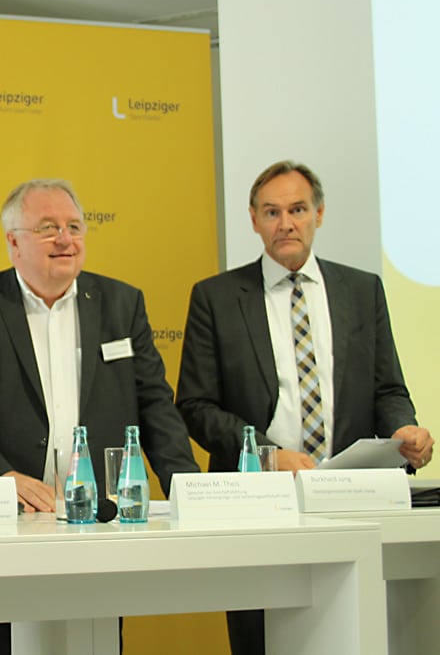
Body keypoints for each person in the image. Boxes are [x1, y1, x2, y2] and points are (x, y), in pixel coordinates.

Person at [0, 178, 200, 655]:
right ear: (13, 242)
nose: (66, 239)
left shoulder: (121, 303)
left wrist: (189, 489)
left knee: (94, 643)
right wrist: (0, 475)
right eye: (48, 228)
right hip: (2, 521)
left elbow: (154, 403)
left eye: (74, 226)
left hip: (100, 523)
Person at [176, 160, 434, 655]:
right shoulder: (216, 297)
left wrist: (405, 429)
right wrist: (270, 454)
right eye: (271, 212)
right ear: (253, 219)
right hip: (256, 501)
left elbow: (387, 389)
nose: (285, 223)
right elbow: (196, 405)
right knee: (260, 638)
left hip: (352, 497)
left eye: (297, 209)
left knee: (355, 634)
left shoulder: (362, 290)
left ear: (319, 213)